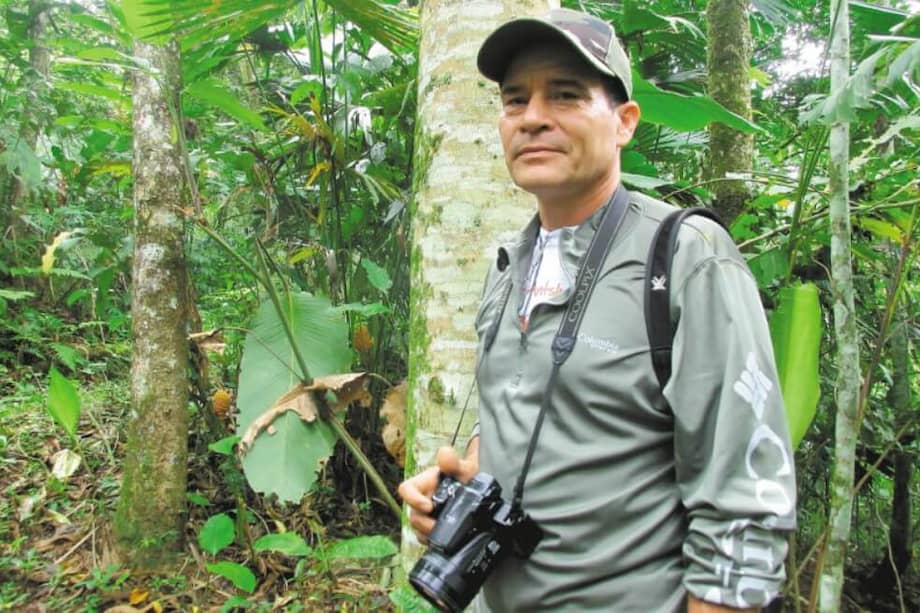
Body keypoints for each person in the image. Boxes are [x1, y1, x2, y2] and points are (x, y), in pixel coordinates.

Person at [399, 8, 796, 612]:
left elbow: (745, 497)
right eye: (515, 100)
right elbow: (538, 408)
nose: (533, 118)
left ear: (624, 122)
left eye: (565, 95)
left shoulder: (686, 256)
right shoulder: (509, 263)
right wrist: (459, 488)